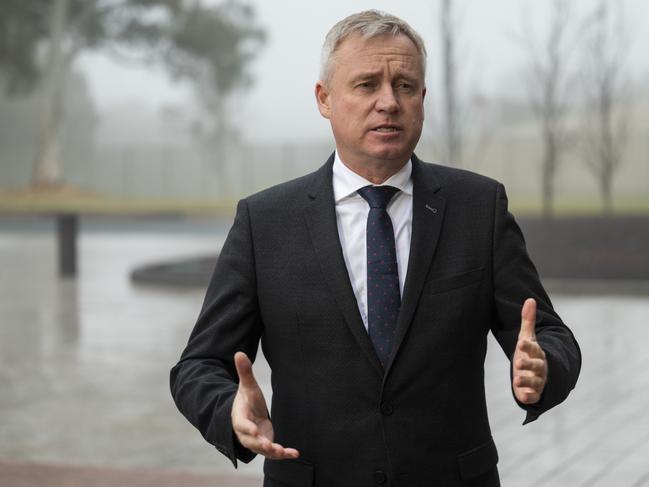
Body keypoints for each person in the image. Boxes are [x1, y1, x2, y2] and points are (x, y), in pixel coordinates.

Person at [170, 10, 581, 487]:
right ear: (324, 99)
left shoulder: (479, 208)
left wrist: (544, 367)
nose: (389, 102)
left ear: (422, 100)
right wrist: (229, 410)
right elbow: (198, 366)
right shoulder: (265, 222)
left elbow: (550, 336)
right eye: (366, 85)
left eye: (405, 86)